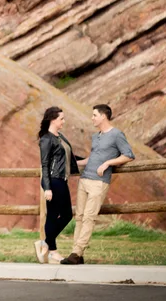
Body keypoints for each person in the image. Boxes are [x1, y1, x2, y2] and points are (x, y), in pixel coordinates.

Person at [60, 104, 135, 265]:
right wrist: (71, 163)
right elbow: (91, 159)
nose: (92, 118)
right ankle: (77, 255)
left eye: (94, 115)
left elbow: (128, 155)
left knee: (89, 217)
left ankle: (76, 252)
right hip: (85, 179)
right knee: (79, 217)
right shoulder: (96, 136)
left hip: (99, 182)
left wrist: (108, 163)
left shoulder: (116, 135)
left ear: (103, 116)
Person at [33, 107, 83, 264]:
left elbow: (68, 157)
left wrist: (91, 160)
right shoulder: (46, 139)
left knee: (59, 215)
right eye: (61, 118)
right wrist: (47, 188)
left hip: (61, 179)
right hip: (54, 181)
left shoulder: (59, 136)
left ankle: (49, 248)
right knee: (62, 215)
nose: (63, 121)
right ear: (53, 119)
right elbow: (45, 165)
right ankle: (50, 248)